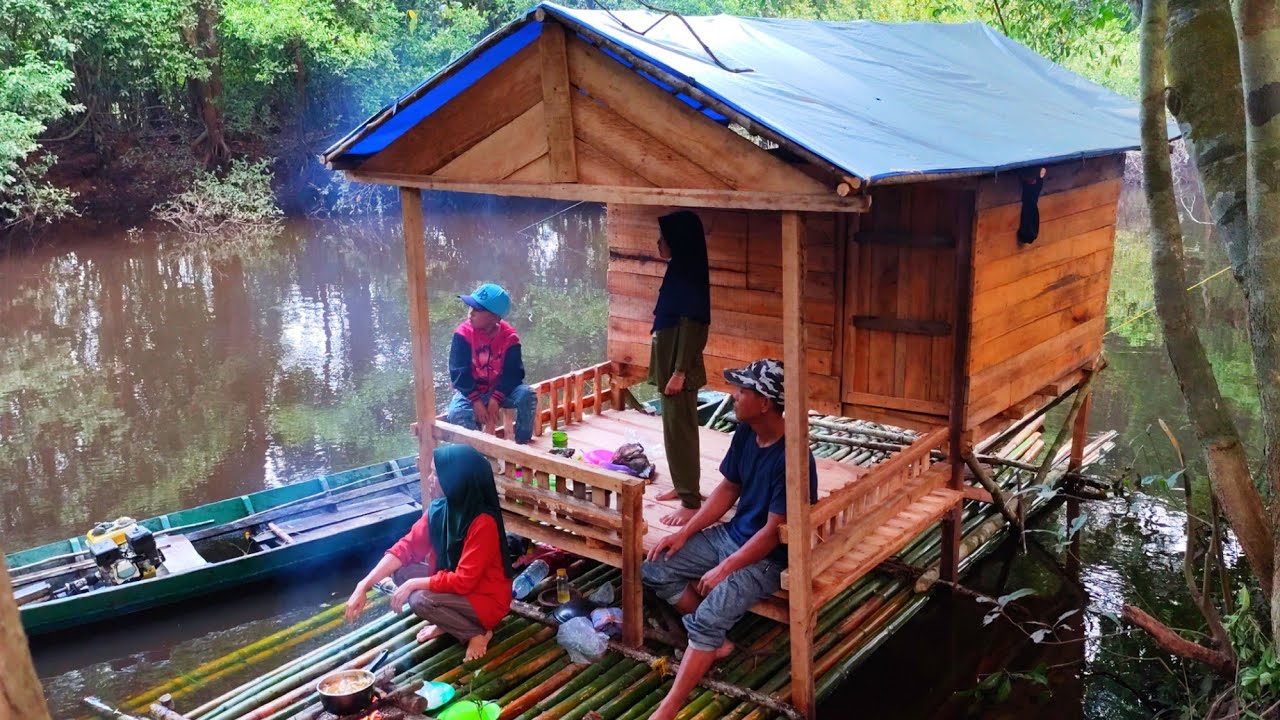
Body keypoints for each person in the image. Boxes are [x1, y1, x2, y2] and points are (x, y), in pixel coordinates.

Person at [641, 358, 817, 720]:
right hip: (732, 536)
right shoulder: (745, 433)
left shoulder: (794, 459)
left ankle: (668, 708)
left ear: (765, 401)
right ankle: (714, 641)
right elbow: (729, 487)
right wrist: (684, 532)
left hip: (768, 559)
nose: (733, 396)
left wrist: (726, 567)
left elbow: (772, 534)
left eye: (741, 390)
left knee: (708, 616)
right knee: (655, 566)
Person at [345, 445, 514, 661]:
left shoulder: (483, 522)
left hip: (485, 599)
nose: (430, 478)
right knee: (401, 571)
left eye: (436, 473)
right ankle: (448, 623)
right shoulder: (439, 510)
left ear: (455, 480)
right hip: (458, 588)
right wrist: (364, 585)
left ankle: (478, 632)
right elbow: (404, 548)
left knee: (420, 600)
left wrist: (414, 584)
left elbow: (464, 581)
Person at [649, 210, 711, 526]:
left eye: (664, 239)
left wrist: (679, 371)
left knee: (680, 429)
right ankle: (683, 485)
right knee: (673, 428)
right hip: (670, 359)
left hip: (677, 365)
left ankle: (689, 502)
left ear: (678, 241)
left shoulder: (688, 274)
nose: (658, 244)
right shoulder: (681, 269)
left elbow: (694, 326)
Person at [446, 282, 536, 443]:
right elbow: (458, 372)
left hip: (500, 389)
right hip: (471, 392)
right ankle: (477, 452)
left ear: (494, 317)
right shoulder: (463, 334)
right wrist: (476, 400)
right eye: (470, 308)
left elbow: (514, 374)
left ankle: (523, 443)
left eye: (477, 310)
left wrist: (496, 397)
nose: (470, 313)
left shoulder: (510, 338)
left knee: (526, 395)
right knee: (456, 413)